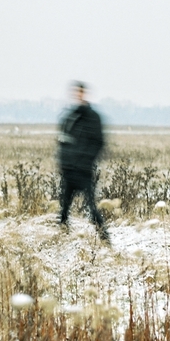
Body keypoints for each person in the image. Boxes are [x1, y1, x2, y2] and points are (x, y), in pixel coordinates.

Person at [57, 81, 110, 243]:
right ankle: (62, 241)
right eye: (75, 92)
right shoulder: (70, 116)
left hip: (84, 171)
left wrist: (85, 161)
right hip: (69, 171)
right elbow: (63, 140)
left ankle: (106, 241)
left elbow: (99, 142)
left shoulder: (92, 117)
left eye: (80, 92)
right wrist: (64, 162)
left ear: (84, 94)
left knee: (91, 209)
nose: (77, 95)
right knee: (64, 210)